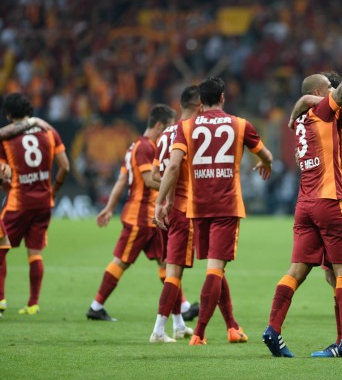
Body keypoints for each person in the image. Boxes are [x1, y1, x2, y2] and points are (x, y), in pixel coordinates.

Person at [262, 17, 342, 358]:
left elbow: (304, 108)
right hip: (333, 200)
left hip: (305, 204)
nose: (333, 91)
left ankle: (273, 329)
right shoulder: (326, 111)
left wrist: (301, 107)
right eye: (328, 88)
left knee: (299, 270)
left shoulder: (302, 121)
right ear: (320, 94)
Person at [155, 76, 273, 346]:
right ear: (222, 98)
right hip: (226, 205)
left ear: (200, 102)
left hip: (197, 207)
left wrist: (161, 202)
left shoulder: (185, 127)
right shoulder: (240, 124)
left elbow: (173, 167)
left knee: (215, 269)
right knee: (215, 270)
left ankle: (232, 326)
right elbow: (266, 155)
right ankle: (199, 333)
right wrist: (266, 163)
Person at [287, 70, 342, 356]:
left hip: (340, 200)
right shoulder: (336, 116)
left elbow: (331, 94)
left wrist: (303, 104)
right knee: (337, 274)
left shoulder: (339, 114)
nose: (332, 93)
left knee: (340, 273)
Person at [86, 104, 177, 322]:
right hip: (140, 217)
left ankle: (181, 309)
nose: (171, 132)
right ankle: (96, 306)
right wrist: (177, 186)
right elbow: (148, 181)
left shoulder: (134, 146)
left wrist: (109, 208)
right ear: (159, 125)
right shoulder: (145, 147)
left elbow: (121, 181)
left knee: (166, 262)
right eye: (170, 127)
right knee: (122, 261)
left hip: (151, 217)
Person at [0, 93, 70, 316]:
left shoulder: (7, 138)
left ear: (8, 114)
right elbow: (65, 167)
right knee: (35, 253)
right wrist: (54, 190)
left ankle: (0, 299)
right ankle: (33, 304)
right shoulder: (49, 131)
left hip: (18, 202)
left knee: (1, 248)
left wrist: (7, 186)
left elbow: (3, 174)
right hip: (43, 202)